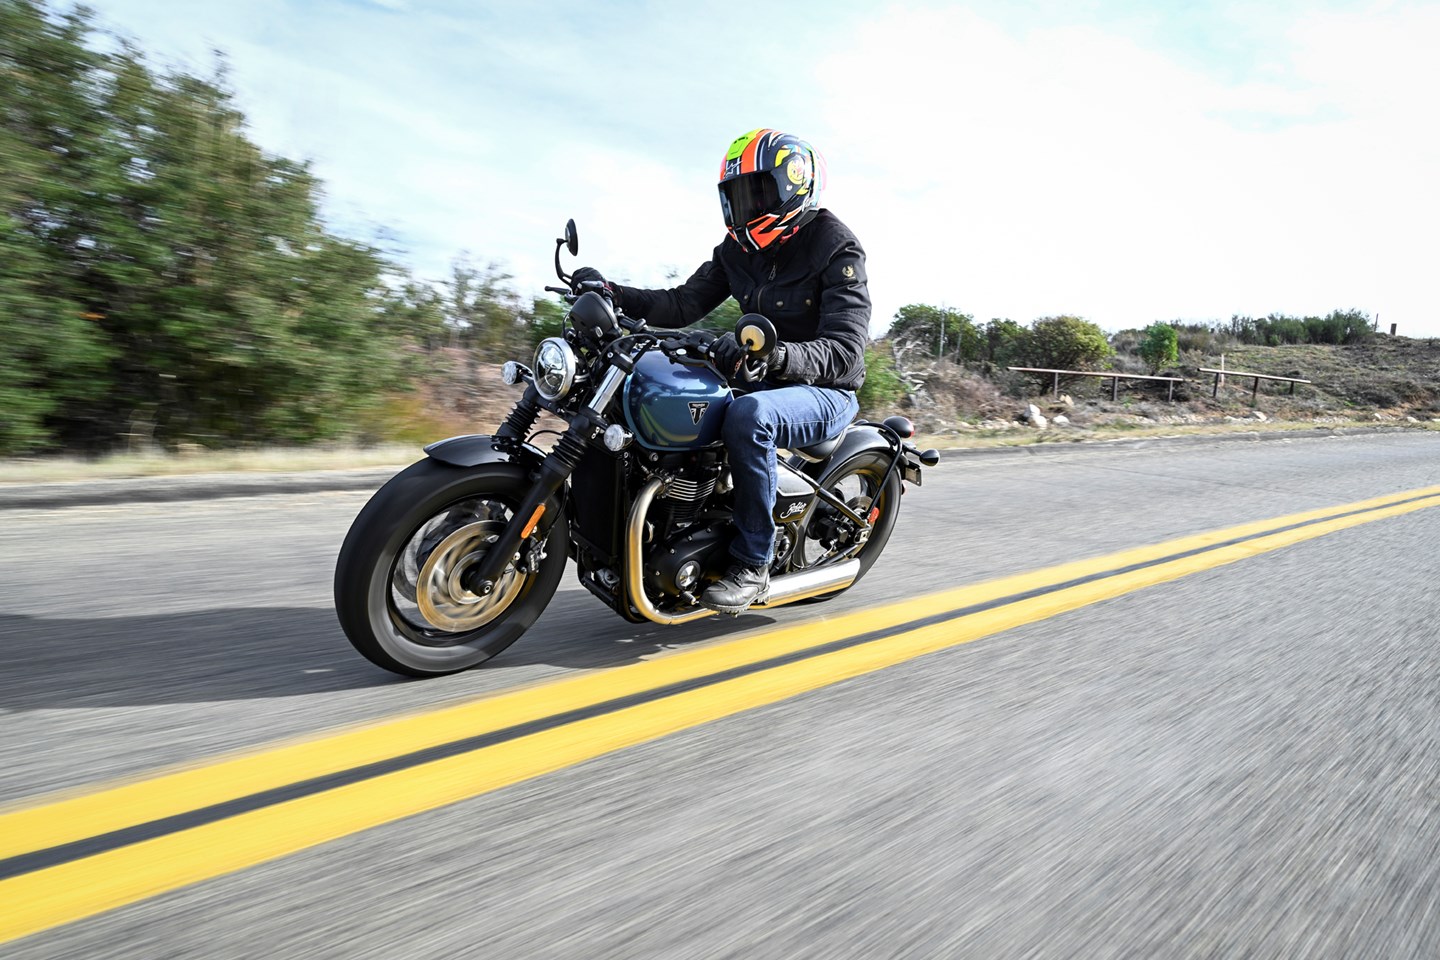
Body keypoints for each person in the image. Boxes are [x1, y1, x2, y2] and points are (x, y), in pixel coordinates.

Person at [572, 128, 870, 614]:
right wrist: (611, 292)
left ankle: (753, 562)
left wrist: (778, 356)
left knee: (751, 417)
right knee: (660, 387)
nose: (745, 206)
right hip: (760, 372)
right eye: (736, 195)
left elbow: (846, 352)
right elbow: (681, 303)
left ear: (793, 185)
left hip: (824, 389)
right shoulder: (737, 250)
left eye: (756, 192)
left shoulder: (836, 246)